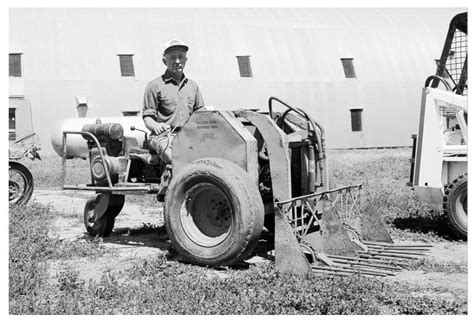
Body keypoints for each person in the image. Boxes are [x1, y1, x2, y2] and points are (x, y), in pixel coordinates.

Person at [142, 39, 204, 164]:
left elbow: (201, 114)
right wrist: (157, 126)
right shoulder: (154, 86)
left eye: (181, 57)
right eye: (172, 57)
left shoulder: (193, 86)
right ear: (164, 61)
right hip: (164, 137)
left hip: (190, 136)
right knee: (174, 158)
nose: (177, 61)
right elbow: (148, 118)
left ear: (186, 60)